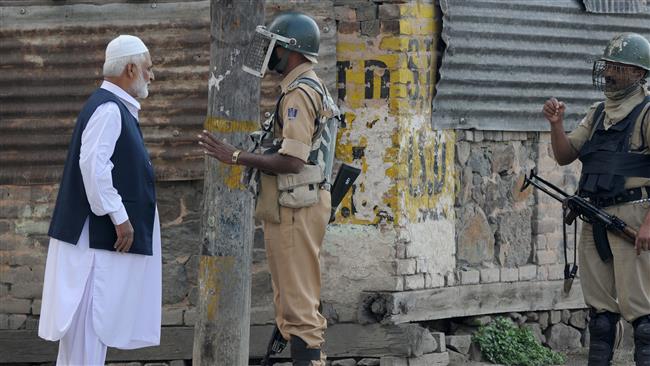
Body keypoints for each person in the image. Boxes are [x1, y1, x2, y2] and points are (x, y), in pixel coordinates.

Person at [198, 12, 331, 366]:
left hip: (295, 208)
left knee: (299, 309)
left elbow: (294, 161)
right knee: (289, 306)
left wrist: (237, 156)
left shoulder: (300, 94)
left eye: (276, 46)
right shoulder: (299, 88)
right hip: (289, 205)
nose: (270, 53)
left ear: (292, 51)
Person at [38, 35, 161, 365]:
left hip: (94, 243)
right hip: (91, 244)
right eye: (148, 69)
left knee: (89, 333)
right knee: (89, 327)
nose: (152, 76)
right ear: (131, 68)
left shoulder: (114, 107)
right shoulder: (109, 109)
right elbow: (93, 166)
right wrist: (119, 217)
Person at [543, 33, 650, 365]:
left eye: (618, 67)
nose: (609, 73)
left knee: (643, 319)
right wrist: (556, 124)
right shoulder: (598, 112)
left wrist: (649, 224)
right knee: (601, 318)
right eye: (608, 65)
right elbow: (564, 155)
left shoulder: (647, 113)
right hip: (594, 219)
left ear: (639, 74)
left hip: (633, 219)